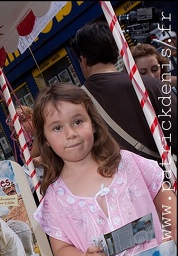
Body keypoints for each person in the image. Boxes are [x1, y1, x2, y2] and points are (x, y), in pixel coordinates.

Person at [31, 82, 177, 256]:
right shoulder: (55, 199)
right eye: (57, 128)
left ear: (93, 123)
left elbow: (164, 195)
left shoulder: (127, 163)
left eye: (77, 122)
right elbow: (60, 249)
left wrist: (173, 226)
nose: (71, 134)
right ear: (45, 140)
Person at [69, 21, 177, 163]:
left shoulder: (78, 104)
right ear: (116, 50)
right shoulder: (151, 85)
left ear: (83, 59)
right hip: (168, 177)